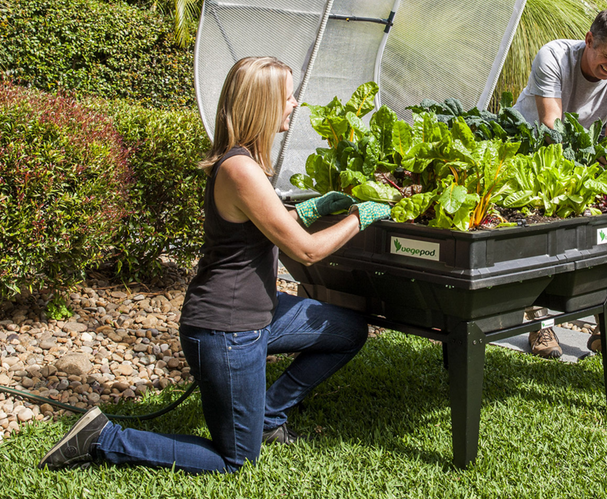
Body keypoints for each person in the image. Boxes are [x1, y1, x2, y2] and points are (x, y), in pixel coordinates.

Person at [38, 56, 391, 473]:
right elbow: (306, 251)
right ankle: (103, 438)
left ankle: (267, 416)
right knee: (234, 461)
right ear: (261, 105)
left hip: (260, 314)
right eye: (288, 96)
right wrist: (359, 217)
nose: (295, 104)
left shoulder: (247, 163)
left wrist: (313, 208)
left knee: (348, 329)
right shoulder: (240, 169)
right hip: (227, 330)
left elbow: (271, 226)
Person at [514, 9, 607, 366]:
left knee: (602, 242)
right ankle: (541, 324)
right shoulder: (553, 56)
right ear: (589, 40)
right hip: (530, 155)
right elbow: (551, 126)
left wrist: (606, 190)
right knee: (541, 242)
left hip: (577, 161)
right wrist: (573, 184)